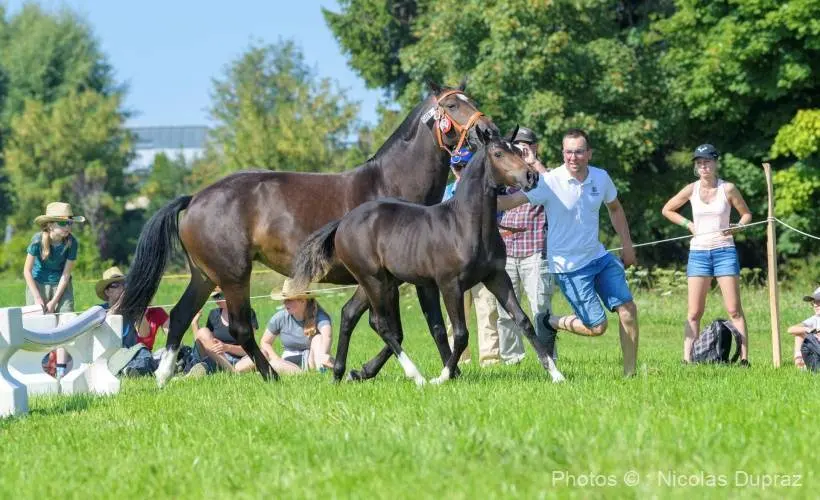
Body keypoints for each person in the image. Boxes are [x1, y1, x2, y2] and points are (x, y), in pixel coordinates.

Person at [497, 128, 640, 376]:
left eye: (579, 152)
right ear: (563, 153)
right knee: (597, 327)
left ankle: (630, 375)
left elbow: (615, 209)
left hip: (599, 258)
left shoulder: (601, 178)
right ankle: (550, 322)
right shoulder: (550, 181)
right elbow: (509, 202)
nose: (573, 157)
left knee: (627, 310)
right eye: (568, 152)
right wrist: (480, 192)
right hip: (569, 268)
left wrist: (627, 244)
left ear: (589, 153)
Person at [661, 144, 752, 365]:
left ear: (715, 163)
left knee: (733, 309)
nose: (703, 166)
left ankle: (743, 359)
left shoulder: (728, 188)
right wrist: (688, 224)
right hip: (699, 254)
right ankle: (687, 359)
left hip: (724, 251)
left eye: (707, 161)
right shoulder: (690, 189)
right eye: (699, 162)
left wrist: (738, 226)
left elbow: (747, 214)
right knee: (694, 312)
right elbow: (667, 209)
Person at [496, 126, 554, 364]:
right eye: (517, 147)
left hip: (535, 251)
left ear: (535, 147)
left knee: (540, 307)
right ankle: (512, 360)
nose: (521, 150)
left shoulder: (545, 175)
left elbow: (554, 187)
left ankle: (547, 358)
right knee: (504, 311)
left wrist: (534, 162)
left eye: (526, 146)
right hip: (507, 251)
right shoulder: (508, 175)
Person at [441, 148, 501, 367]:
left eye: (465, 166)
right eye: (456, 167)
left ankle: (490, 360)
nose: (461, 171)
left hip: (483, 260)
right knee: (455, 315)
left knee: (488, 311)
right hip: (453, 262)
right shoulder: (447, 192)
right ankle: (459, 359)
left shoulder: (487, 190)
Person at [24, 202, 83, 379]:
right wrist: (37, 298)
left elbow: (66, 274)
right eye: (63, 223)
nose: (68, 227)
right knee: (37, 326)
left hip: (61, 286)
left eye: (70, 223)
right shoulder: (37, 241)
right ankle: (38, 369)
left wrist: (54, 301)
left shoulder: (72, 243)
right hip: (37, 284)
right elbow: (26, 271)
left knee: (64, 324)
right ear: (50, 225)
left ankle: (61, 371)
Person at [99, 266, 170, 377]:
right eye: (115, 285)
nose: (122, 287)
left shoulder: (132, 310)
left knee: (144, 352)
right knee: (146, 356)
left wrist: (140, 311)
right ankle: (135, 369)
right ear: (107, 291)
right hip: (108, 356)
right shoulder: (99, 309)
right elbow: (103, 321)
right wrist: (118, 305)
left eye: (124, 283)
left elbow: (144, 335)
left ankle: (131, 370)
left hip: (130, 354)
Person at [260, 279, 335, 374]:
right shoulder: (280, 317)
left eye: (289, 300)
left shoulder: (319, 315)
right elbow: (265, 342)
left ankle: (321, 370)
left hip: (312, 359)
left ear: (303, 300)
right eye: (284, 299)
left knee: (318, 338)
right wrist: (276, 358)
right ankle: (303, 374)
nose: (285, 303)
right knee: (274, 364)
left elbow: (327, 335)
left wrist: (324, 354)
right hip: (288, 361)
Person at [189, 288, 259, 374]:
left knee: (262, 354)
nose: (216, 300)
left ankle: (228, 370)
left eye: (218, 296)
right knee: (203, 332)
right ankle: (232, 372)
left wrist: (226, 347)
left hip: (240, 360)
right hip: (218, 358)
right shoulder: (213, 314)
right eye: (214, 297)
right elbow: (201, 345)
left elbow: (250, 348)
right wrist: (194, 323)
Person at [787, 286, 820, 370]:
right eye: (814, 302)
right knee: (799, 334)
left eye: (819, 302)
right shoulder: (815, 319)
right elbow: (791, 329)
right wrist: (807, 330)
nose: (815, 305)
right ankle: (800, 363)